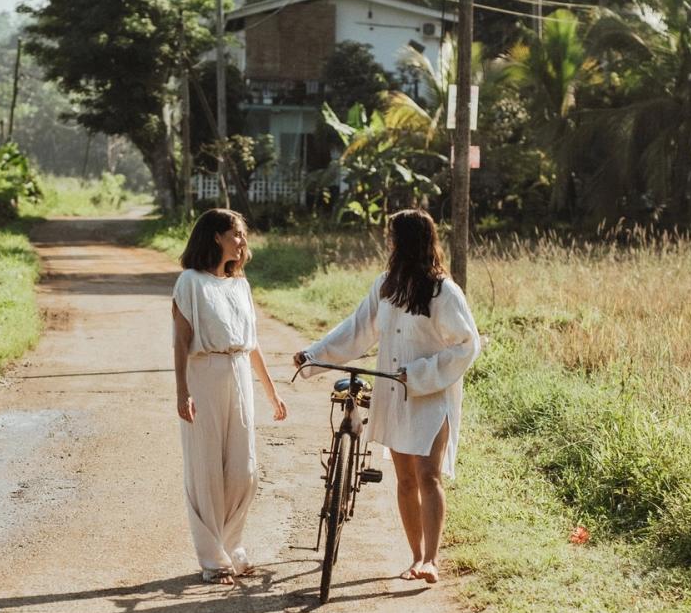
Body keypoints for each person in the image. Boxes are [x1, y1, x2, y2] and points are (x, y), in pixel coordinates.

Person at [293, 209, 480, 585]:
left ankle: (431, 558)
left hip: (429, 395)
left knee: (429, 476)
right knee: (406, 479)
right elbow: (357, 330)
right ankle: (415, 556)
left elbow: (467, 345)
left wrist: (422, 373)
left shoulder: (444, 291)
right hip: (393, 393)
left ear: (407, 241)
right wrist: (314, 354)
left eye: (392, 237)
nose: (388, 243)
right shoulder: (386, 285)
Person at [172, 208, 287, 585]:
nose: (242, 241)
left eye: (241, 234)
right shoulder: (190, 282)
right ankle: (214, 559)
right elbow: (181, 341)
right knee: (206, 469)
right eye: (235, 234)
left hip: (238, 374)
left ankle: (232, 545)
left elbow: (252, 345)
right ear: (216, 237)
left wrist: (271, 393)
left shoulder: (241, 285)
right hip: (203, 374)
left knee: (244, 472)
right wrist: (182, 391)